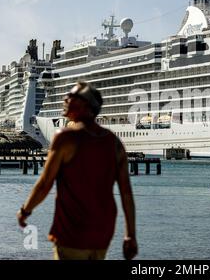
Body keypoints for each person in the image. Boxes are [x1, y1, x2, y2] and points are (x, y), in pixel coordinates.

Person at [17, 81, 137, 260]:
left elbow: (44, 184)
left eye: (71, 96)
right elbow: (126, 193)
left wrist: (25, 211)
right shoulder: (114, 143)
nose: (65, 99)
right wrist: (130, 235)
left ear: (85, 105)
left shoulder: (65, 138)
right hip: (102, 233)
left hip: (72, 232)